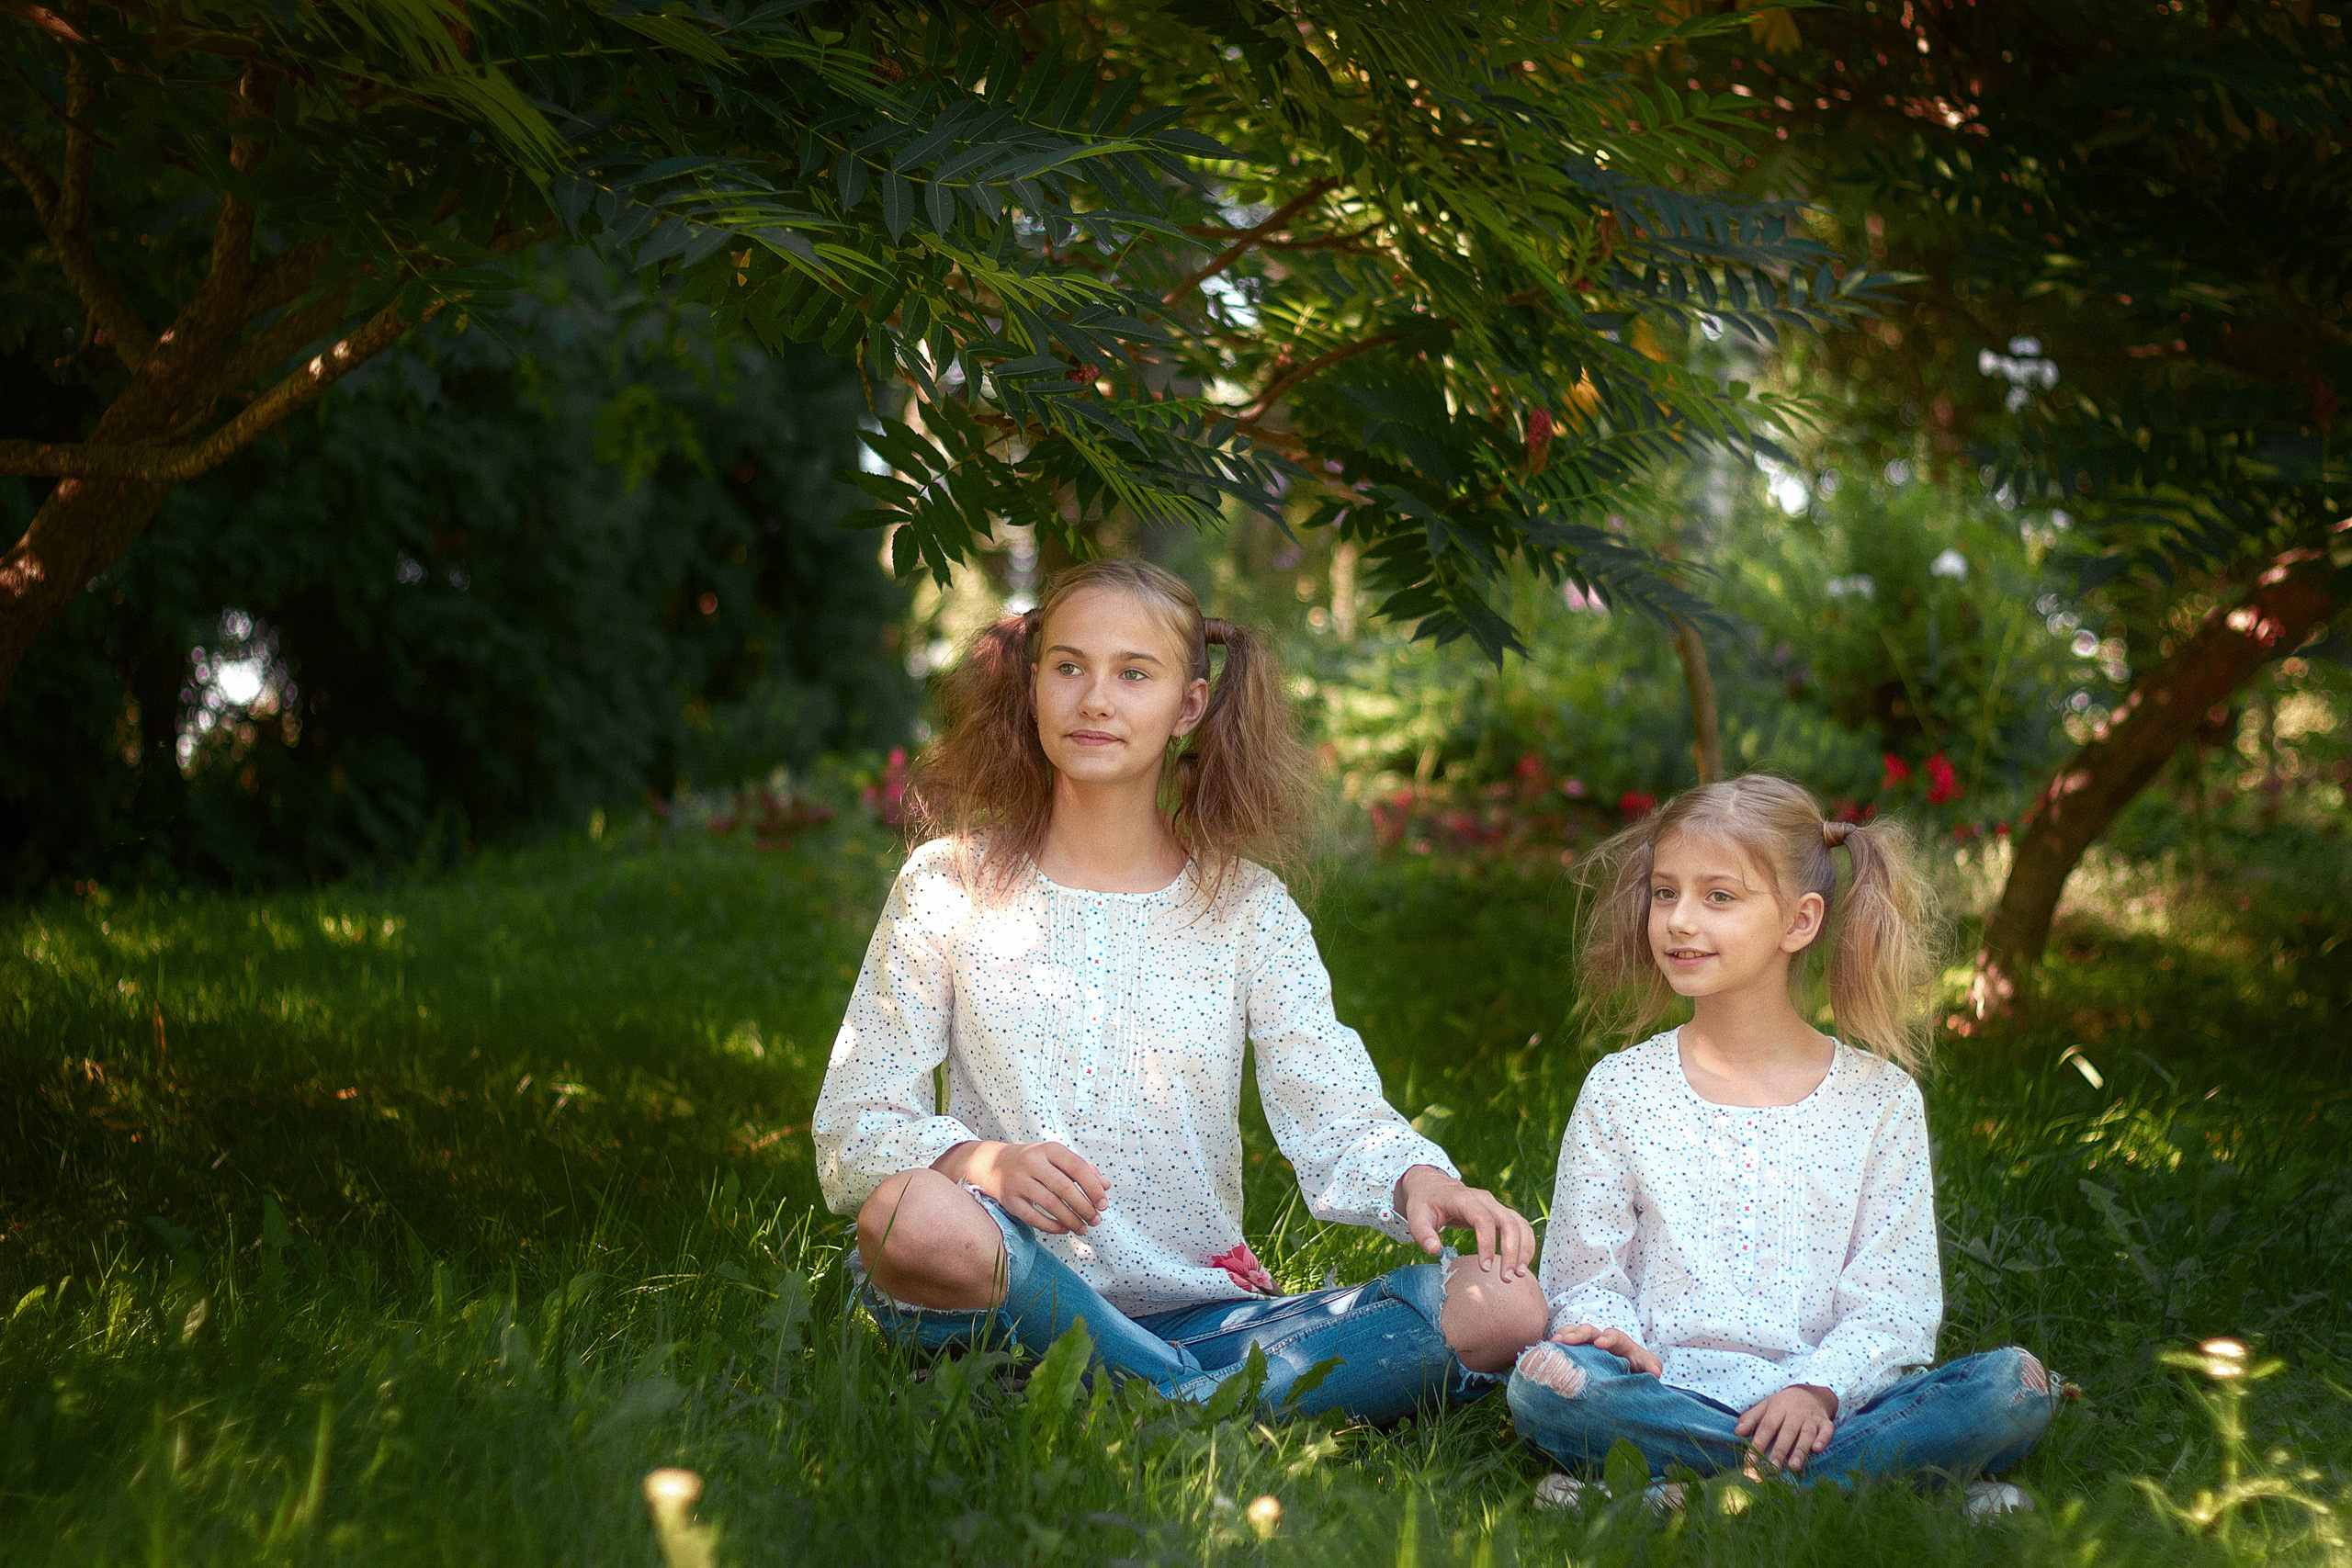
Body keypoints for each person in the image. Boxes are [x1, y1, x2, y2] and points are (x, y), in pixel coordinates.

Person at [813, 558, 1548, 1421]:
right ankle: (1206, 1399)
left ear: (1189, 706)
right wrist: (987, 1164)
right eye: (1068, 666)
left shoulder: (1247, 910)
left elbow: (1332, 1101)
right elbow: (857, 1126)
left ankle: (1149, 1391)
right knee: (909, 1212)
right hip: (998, 1296)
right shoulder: (949, 885)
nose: (1095, 699)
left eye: (1134, 673)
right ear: (1033, 684)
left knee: (1508, 1304)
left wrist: (1420, 1176)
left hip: (1205, 1310)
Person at [1508, 774, 2064, 1511]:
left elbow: (1895, 1299)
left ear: (1800, 922)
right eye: (1665, 892)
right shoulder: (1621, 1089)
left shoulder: (1880, 1099)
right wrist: (1614, 1338)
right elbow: (1586, 1269)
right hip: (1662, 1390)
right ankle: (1875, 1485)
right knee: (1545, 1384)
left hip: (1836, 1404)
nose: (1678, 920)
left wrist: (1816, 1389)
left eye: (1719, 896)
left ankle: (1680, 1490)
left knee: (2011, 1388)